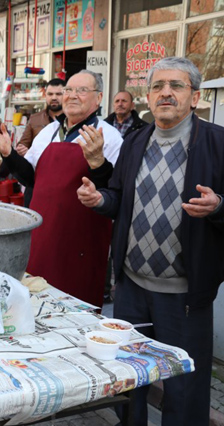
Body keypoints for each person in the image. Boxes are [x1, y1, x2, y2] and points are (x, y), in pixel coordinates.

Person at [77, 57, 224, 426]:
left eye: (176, 86)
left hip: (184, 295)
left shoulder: (218, 143)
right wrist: (100, 201)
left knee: (183, 391)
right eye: (158, 86)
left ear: (195, 96)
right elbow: (117, 197)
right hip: (130, 291)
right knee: (131, 384)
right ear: (148, 96)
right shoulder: (135, 141)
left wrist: (219, 206)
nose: (166, 93)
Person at [0, 70, 123, 307]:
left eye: (82, 90)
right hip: (42, 235)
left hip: (81, 242)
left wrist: (97, 163)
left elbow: (113, 191)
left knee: (75, 307)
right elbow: (30, 177)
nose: (72, 95)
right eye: (69, 90)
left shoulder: (110, 137)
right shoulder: (48, 132)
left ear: (98, 98)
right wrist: (9, 153)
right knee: (35, 302)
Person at [15, 78, 65, 206]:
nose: (54, 98)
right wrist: (24, 150)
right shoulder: (35, 119)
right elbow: (22, 144)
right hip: (36, 179)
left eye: (58, 94)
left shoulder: (72, 120)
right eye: (50, 94)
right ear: (45, 96)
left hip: (61, 179)